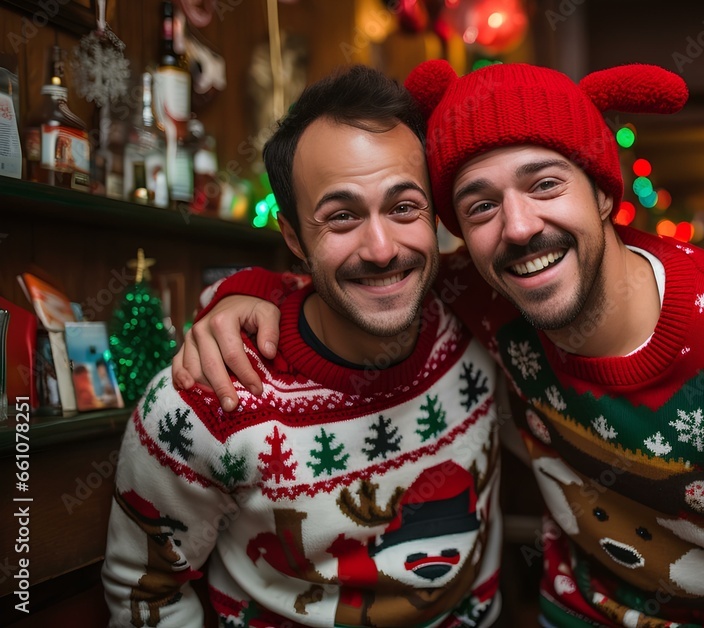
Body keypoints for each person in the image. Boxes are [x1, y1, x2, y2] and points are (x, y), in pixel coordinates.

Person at [175, 61, 704, 626]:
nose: (518, 228)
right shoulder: (482, 293)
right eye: (479, 204)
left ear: (606, 193)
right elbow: (363, 277)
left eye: (545, 184)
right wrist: (246, 292)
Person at [104, 65, 504, 628]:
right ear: (293, 237)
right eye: (342, 216)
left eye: (404, 207)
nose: (383, 248)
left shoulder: (480, 320)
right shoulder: (205, 397)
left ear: (436, 215)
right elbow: (143, 589)